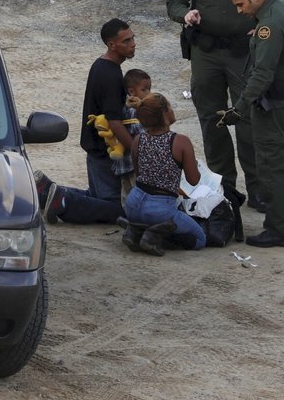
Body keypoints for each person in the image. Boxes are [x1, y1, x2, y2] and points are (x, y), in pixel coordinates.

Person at [166, 0, 284, 214]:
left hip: (243, 52)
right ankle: (226, 190)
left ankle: (259, 189)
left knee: (248, 119)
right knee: (213, 121)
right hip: (206, 53)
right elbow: (174, 2)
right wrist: (186, 15)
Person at [224, 0, 284, 247]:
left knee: (271, 167)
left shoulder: (268, 25)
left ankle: (279, 230)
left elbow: (262, 75)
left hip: (274, 106)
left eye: (240, 4)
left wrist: (239, 107)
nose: (239, 11)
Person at [34, 18, 136, 224]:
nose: (133, 44)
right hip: (104, 151)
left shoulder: (104, 66)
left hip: (96, 148)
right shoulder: (110, 75)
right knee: (115, 208)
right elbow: (114, 122)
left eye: (133, 38)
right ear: (111, 45)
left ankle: (48, 191)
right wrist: (137, 149)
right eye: (126, 41)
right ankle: (63, 202)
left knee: (97, 199)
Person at [117, 93, 207, 256]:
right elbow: (194, 180)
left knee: (152, 216)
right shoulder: (181, 141)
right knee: (199, 238)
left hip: (133, 203)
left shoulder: (138, 139)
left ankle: (136, 230)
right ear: (165, 113)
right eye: (170, 107)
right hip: (160, 209)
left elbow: (139, 174)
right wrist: (193, 164)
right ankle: (153, 235)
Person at [113, 69, 151, 204]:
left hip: (123, 164)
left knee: (126, 194)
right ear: (132, 92)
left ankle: (128, 218)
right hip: (135, 165)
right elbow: (142, 136)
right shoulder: (136, 112)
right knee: (140, 194)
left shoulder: (123, 108)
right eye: (144, 90)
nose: (148, 94)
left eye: (149, 90)